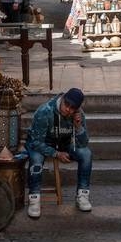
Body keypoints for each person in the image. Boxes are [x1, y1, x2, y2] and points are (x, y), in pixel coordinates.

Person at [24, 87, 92, 218]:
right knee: (36, 159)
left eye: (73, 108)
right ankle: (34, 198)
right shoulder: (45, 111)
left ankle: (82, 195)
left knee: (86, 154)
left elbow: (83, 144)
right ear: (63, 98)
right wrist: (56, 154)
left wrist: (78, 127)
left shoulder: (78, 114)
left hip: (64, 144)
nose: (68, 109)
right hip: (41, 143)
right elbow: (36, 142)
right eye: (67, 105)